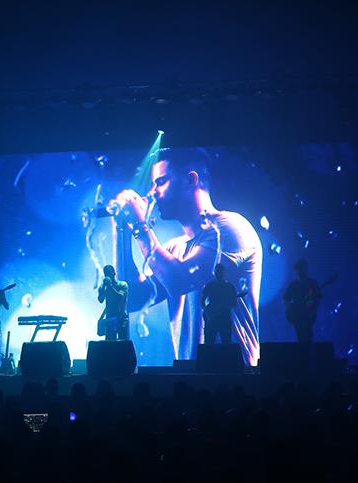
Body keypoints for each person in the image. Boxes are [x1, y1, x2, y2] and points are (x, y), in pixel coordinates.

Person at [109, 147, 262, 365]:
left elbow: (178, 281)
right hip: (190, 373)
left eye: (161, 182)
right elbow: (132, 300)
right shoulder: (174, 249)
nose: (153, 192)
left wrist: (140, 227)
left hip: (235, 373)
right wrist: (121, 231)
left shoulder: (231, 228)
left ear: (191, 180)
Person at [201, 263, 247, 344]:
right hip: (213, 318)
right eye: (218, 272)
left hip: (224, 317)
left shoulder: (229, 286)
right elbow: (202, 301)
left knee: (225, 342)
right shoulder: (210, 285)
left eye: (220, 272)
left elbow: (234, 304)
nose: (219, 274)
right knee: (210, 342)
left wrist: (227, 304)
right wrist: (207, 312)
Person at [283, 258, 322, 343]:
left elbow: (318, 298)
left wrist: (313, 310)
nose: (301, 271)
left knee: (307, 336)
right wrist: (291, 308)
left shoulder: (312, 283)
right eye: (299, 269)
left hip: (308, 313)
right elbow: (286, 298)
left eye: (302, 268)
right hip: (297, 315)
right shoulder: (294, 284)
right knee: (300, 335)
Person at [97, 264, 129, 341]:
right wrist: (103, 288)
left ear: (114, 273)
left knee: (123, 342)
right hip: (110, 319)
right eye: (106, 273)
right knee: (110, 342)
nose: (108, 275)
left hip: (121, 318)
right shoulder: (103, 287)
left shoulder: (122, 284)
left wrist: (110, 286)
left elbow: (120, 297)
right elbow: (101, 300)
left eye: (109, 273)